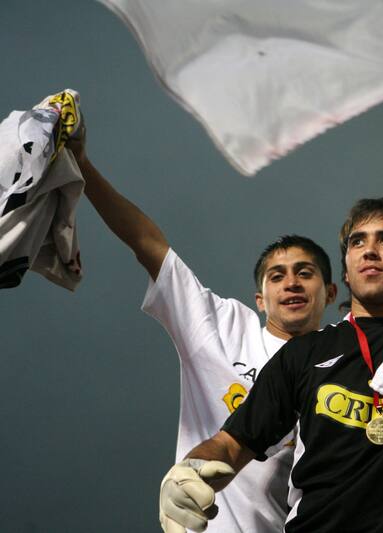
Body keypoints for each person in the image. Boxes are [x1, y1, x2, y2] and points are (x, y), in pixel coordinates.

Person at [158, 197, 383, 533]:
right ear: (347, 273)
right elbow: (230, 444)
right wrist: (188, 472)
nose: (369, 250)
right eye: (357, 242)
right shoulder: (304, 354)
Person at [67, 131, 337, 532]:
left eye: (305, 273)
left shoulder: (346, 357)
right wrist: (83, 166)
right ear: (260, 300)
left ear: (330, 292)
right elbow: (148, 245)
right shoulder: (222, 326)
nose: (291, 283)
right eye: (276, 276)